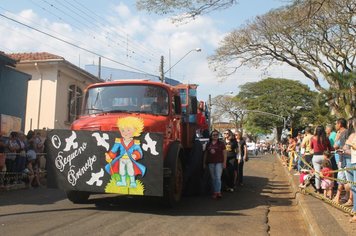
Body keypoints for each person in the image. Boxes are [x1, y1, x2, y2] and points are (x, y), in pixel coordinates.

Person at [105, 117, 146, 188]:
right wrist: (109, 156)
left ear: (135, 131)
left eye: (128, 130)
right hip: (121, 159)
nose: (125, 133)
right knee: (121, 171)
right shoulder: (119, 141)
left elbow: (139, 151)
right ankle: (123, 182)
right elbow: (113, 150)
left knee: (131, 171)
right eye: (122, 130)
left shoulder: (135, 143)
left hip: (130, 160)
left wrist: (136, 155)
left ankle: (132, 182)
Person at [204, 130, 226, 199]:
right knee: (213, 178)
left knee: (218, 177)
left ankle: (218, 192)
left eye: (217, 135)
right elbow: (205, 154)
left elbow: (224, 153)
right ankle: (214, 192)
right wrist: (204, 163)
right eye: (214, 135)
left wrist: (224, 162)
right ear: (211, 136)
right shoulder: (208, 144)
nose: (215, 136)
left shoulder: (221, 144)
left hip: (219, 162)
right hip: (211, 163)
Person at [311, 125, 333, 194]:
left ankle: (318, 189)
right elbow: (330, 148)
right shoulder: (326, 138)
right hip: (325, 157)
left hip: (316, 157)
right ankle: (327, 189)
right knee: (327, 173)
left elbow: (311, 147)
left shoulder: (313, 138)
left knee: (317, 173)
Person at [333, 118, 349, 203]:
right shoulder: (344, 133)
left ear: (340, 124)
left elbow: (335, 145)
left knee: (343, 179)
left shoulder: (343, 133)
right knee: (343, 179)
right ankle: (346, 196)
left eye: (336, 124)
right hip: (342, 159)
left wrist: (337, 137)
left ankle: (340, 197)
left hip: (344, 160)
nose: (335, 125)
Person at [345, 118, 356, 223]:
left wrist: (350, 143)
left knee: (355, 187)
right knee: (353, 187)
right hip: (353, 162)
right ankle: (354, 209)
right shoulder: (353, 135)